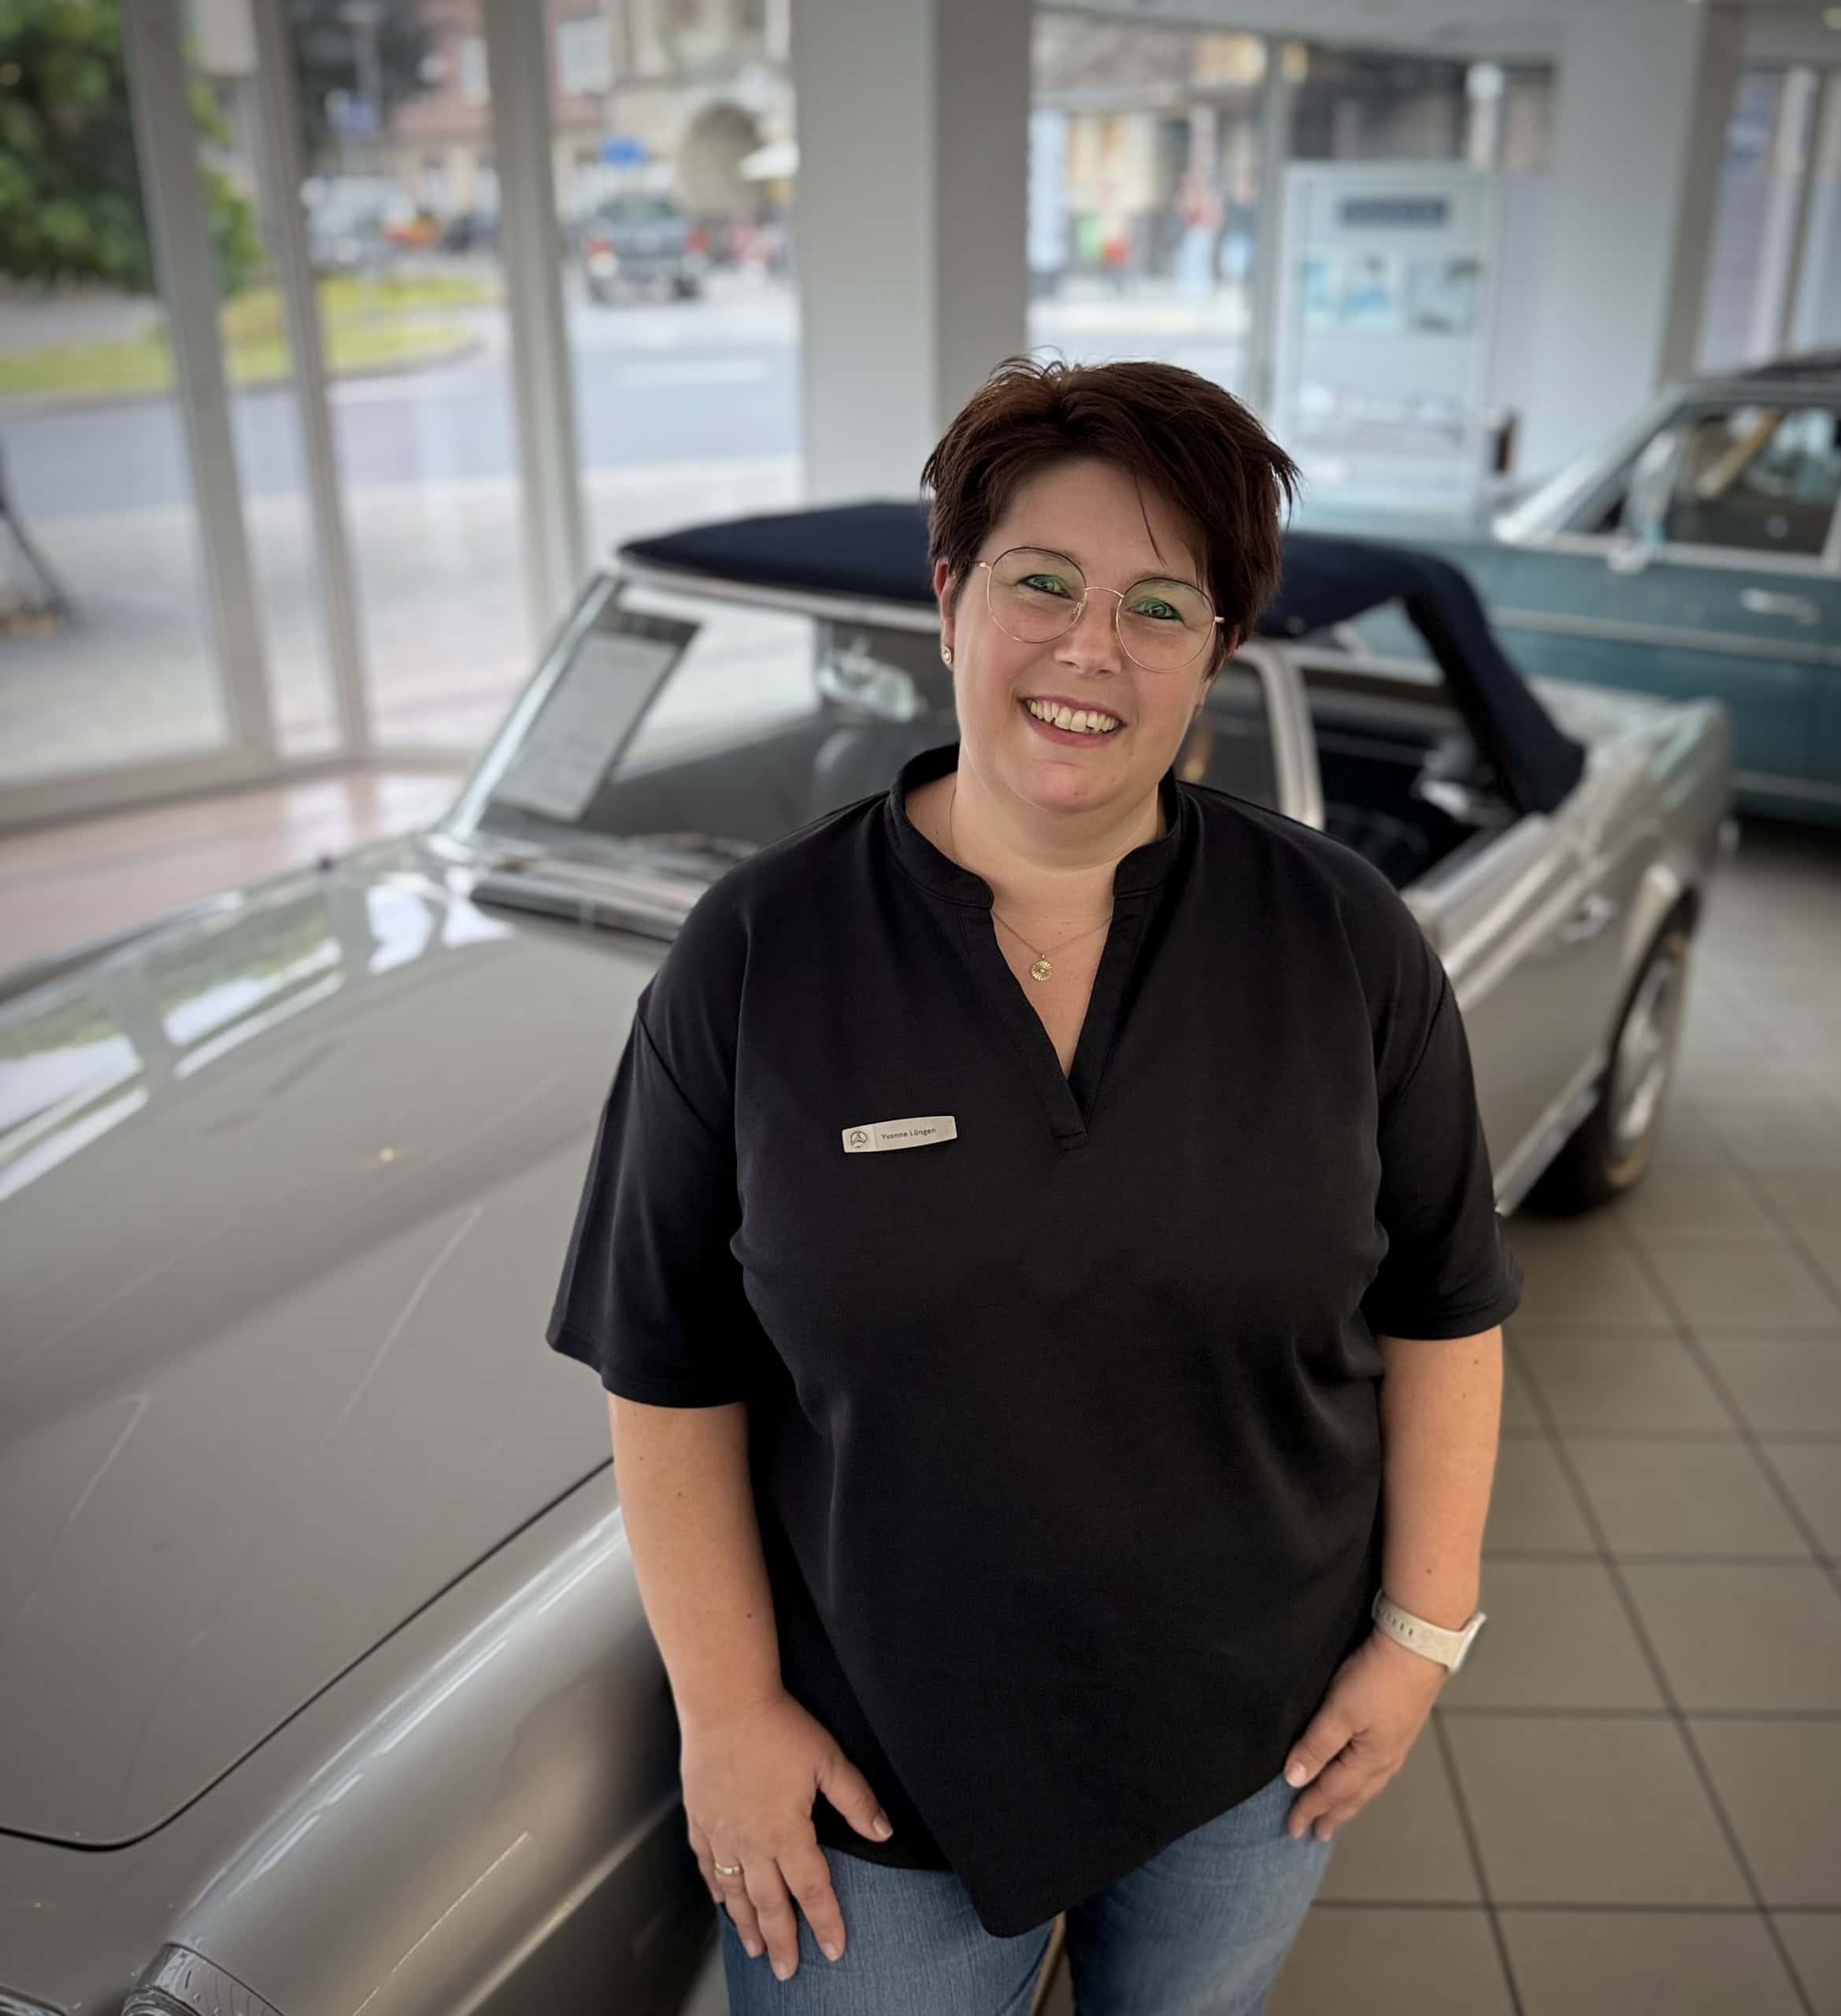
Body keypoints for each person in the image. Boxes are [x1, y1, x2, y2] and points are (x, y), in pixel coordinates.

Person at [544, 355, 1519, 2013]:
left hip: (1248, 1745)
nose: (1089, 650)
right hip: (868, 1778)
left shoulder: (1341, 940)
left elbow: (1443, 1305)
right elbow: (668, 1362)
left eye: (1159, 604)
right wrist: (725, 1709)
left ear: (1216, 649)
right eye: (1041, 583)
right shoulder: (759, 957)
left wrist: (1420, 1633)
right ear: (946, 599)